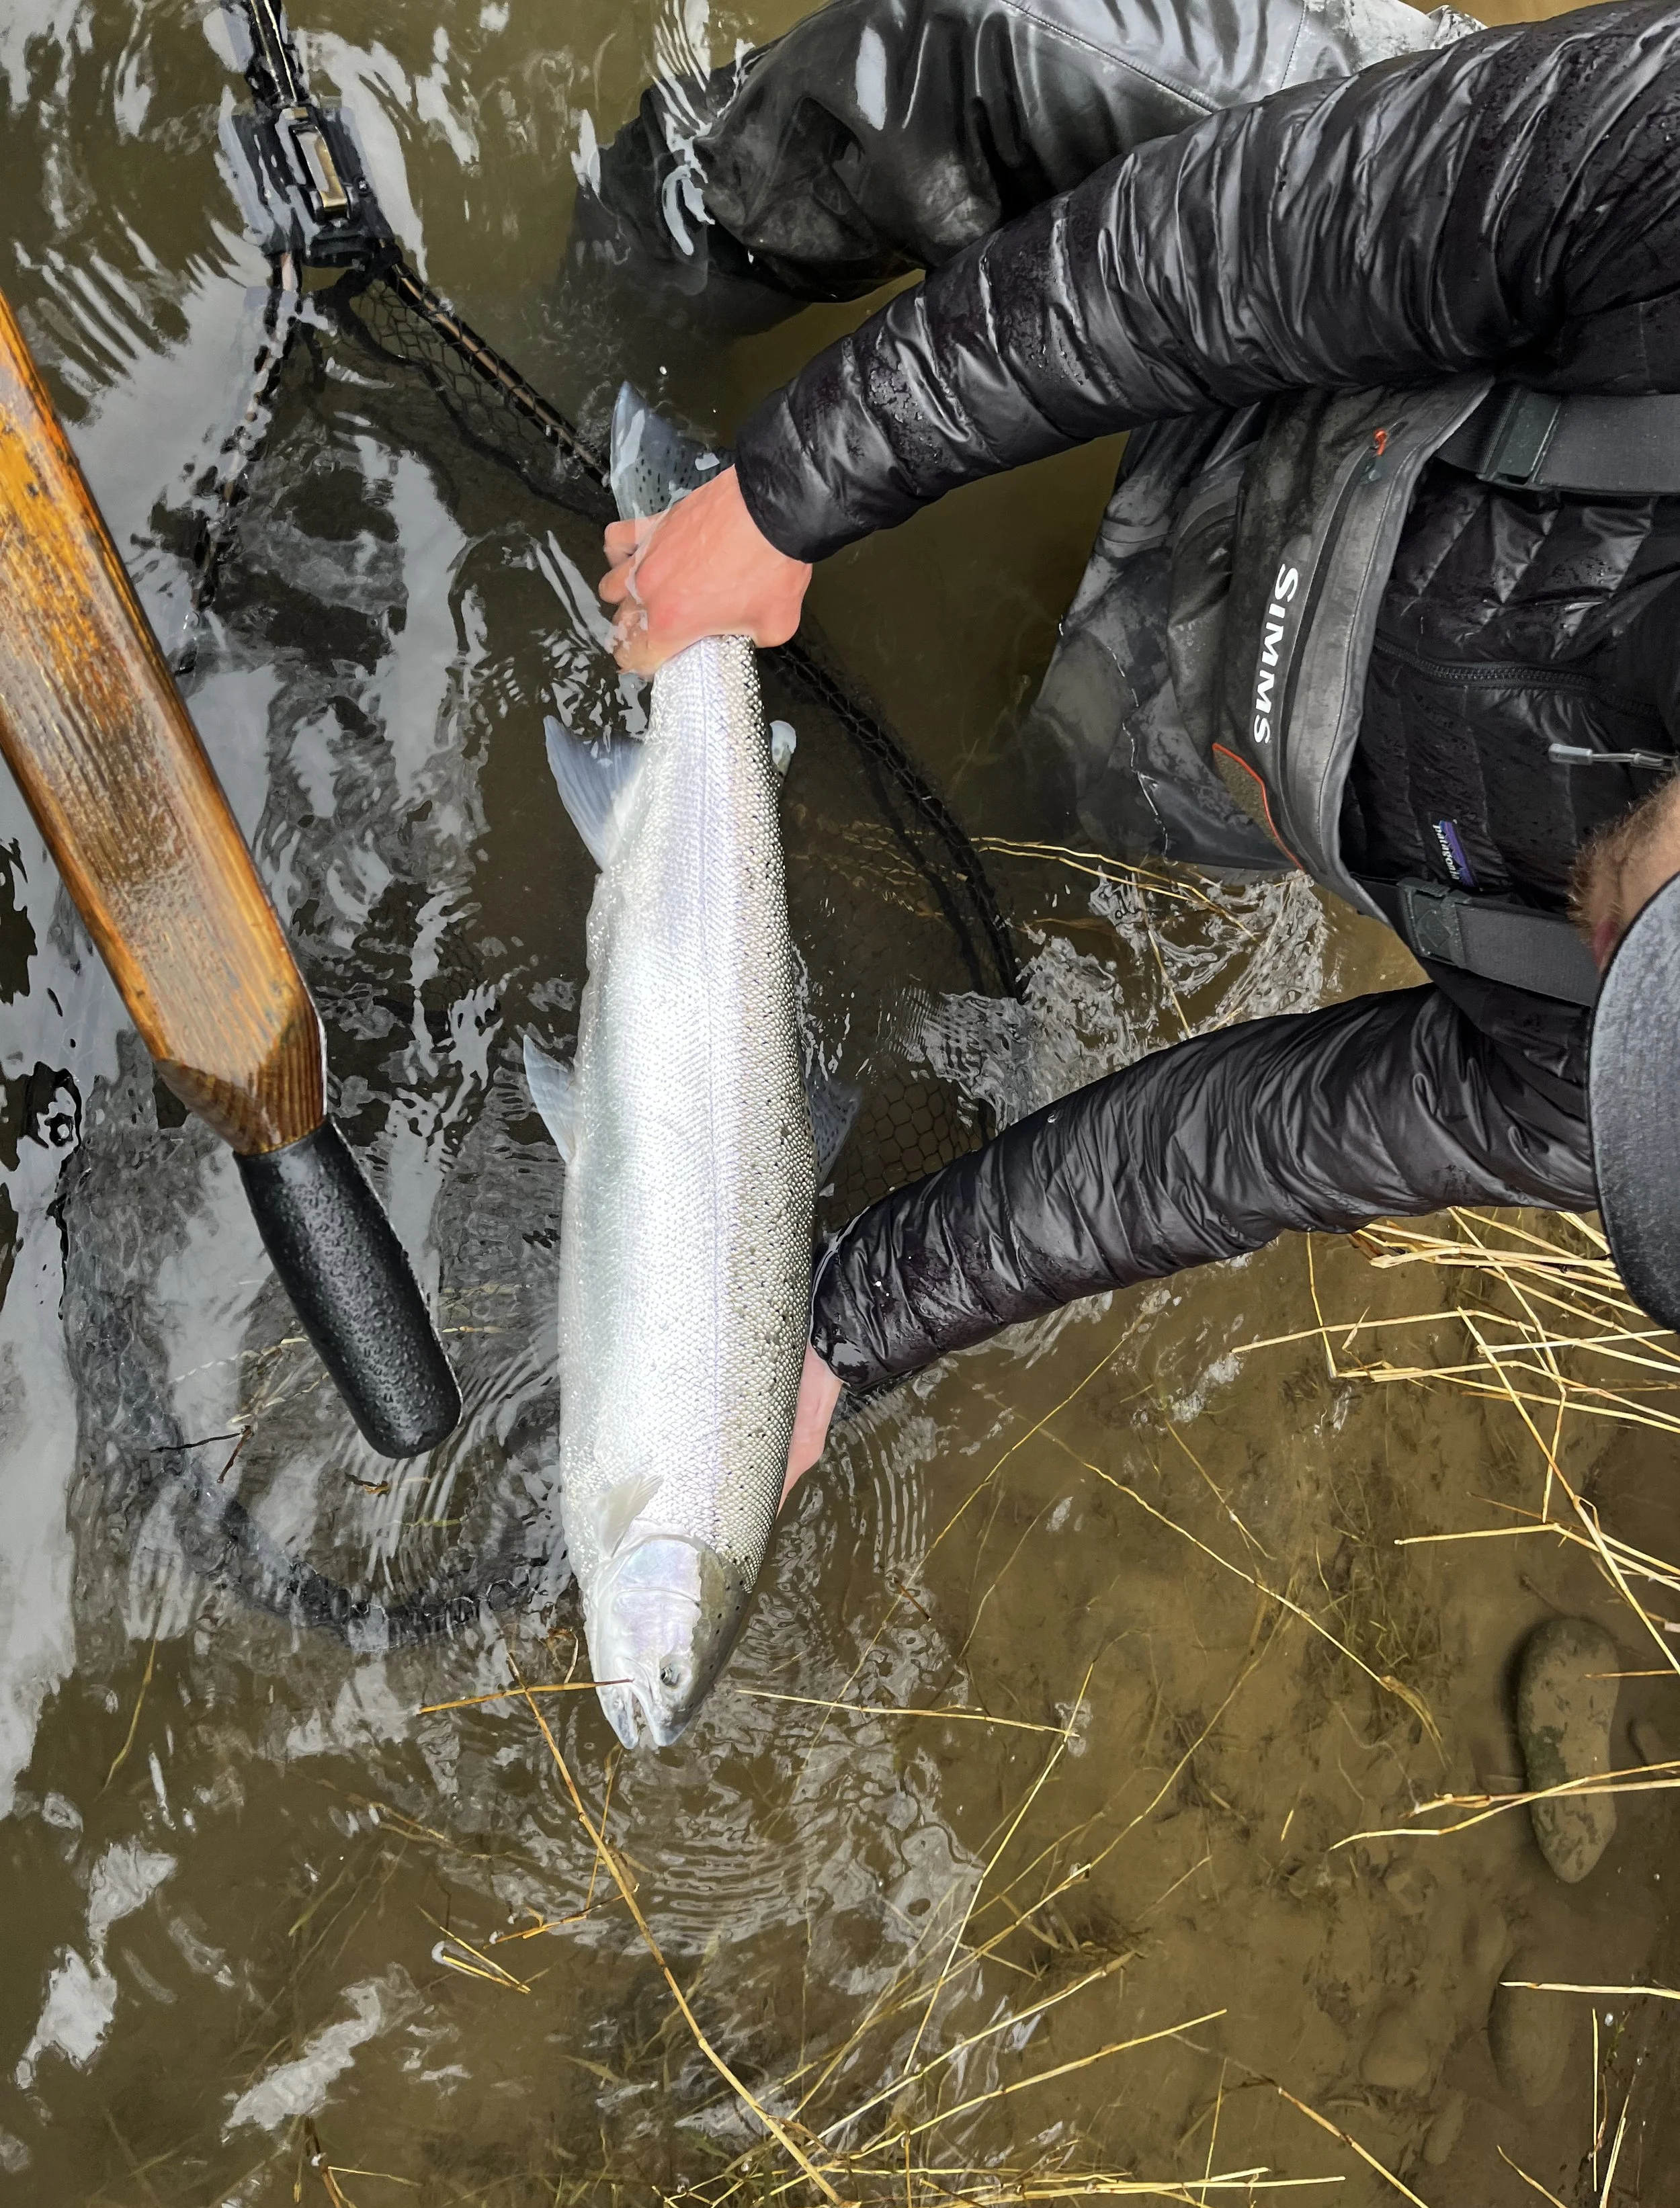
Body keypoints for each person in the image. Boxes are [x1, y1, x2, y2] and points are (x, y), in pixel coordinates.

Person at [579, 0, 1680, 1488]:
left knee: (1015, 801)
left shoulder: (1636, 1102)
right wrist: (788, 492)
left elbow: (1234, 1149)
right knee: (973, 55)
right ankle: (631, 270)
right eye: (1660, 952)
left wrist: (842, 1330)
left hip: (1299, 716)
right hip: (1340, 248)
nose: (1607, 987)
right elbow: (1221, 251)